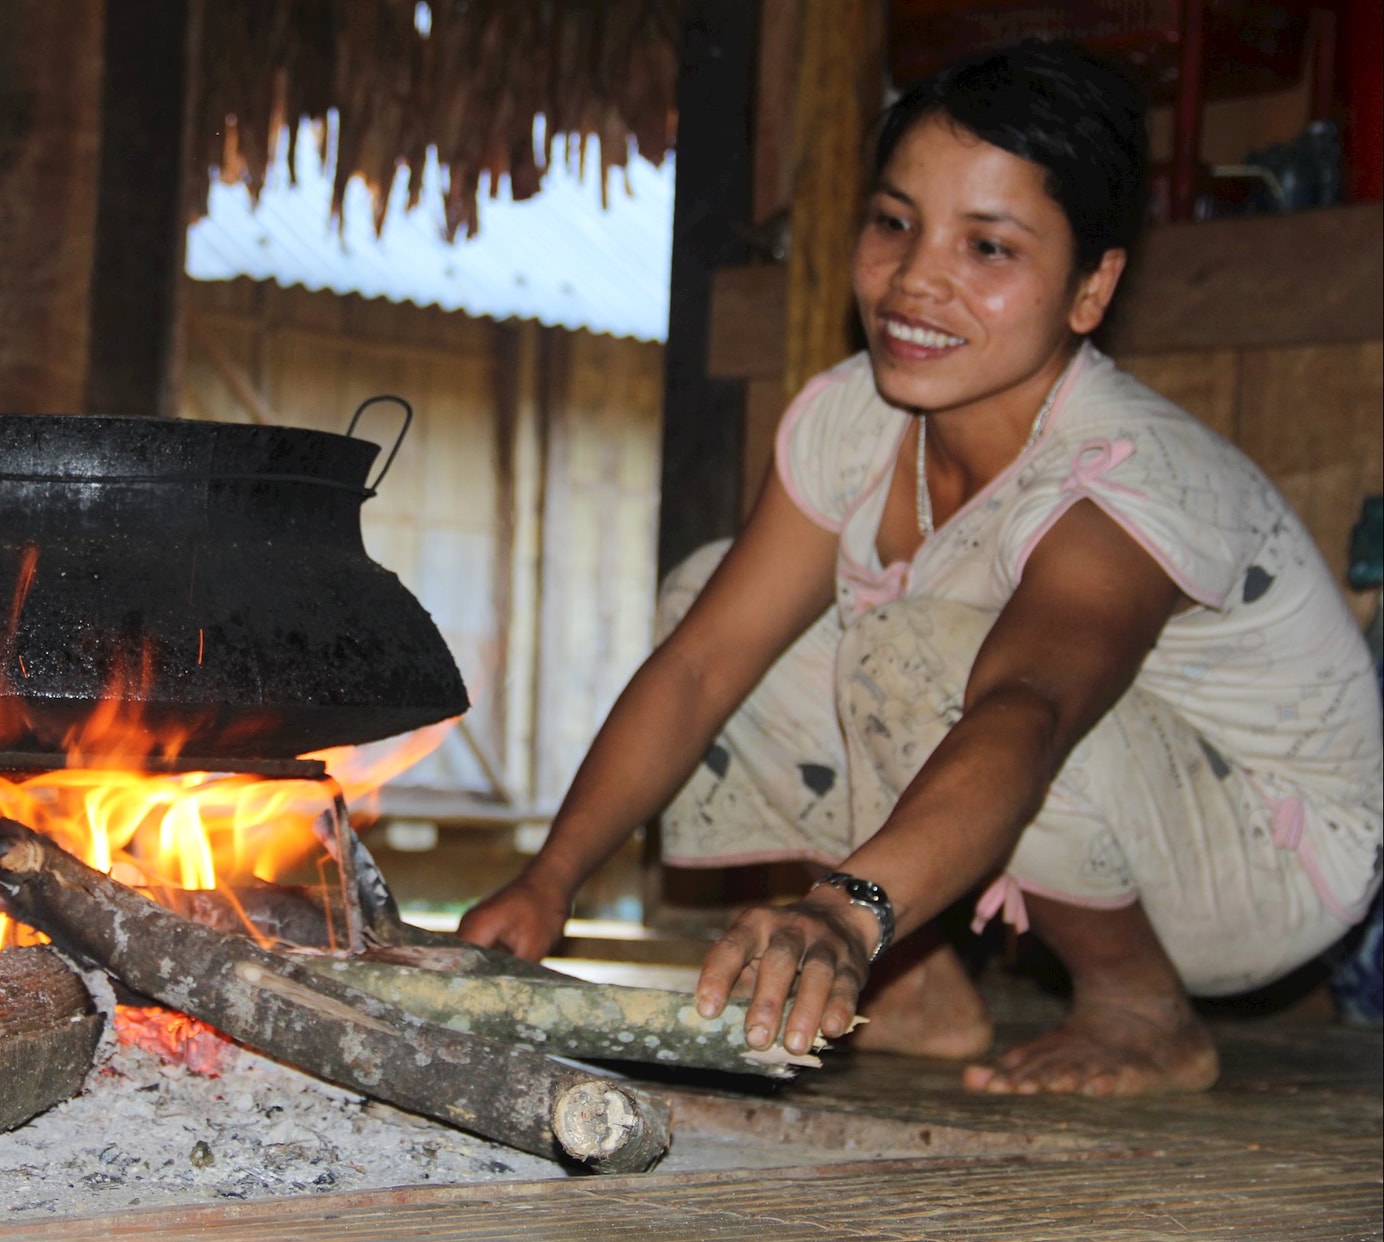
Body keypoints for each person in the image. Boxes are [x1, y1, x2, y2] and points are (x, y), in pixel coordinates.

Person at [458, 40, 1383, 1097]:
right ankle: (920, 985)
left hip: (1262, 857)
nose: (916, 278)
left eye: (989, 248)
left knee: (922, 654)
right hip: (1065, 784)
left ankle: (1141, 1012)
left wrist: (843, 909)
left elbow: (1027, 704)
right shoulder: (856, 417)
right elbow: (702, 666)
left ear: (1091, 288)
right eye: (895, 222)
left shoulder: (1127, 476)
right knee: (709, 595)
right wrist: (550, 877)